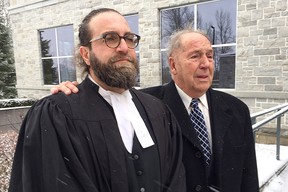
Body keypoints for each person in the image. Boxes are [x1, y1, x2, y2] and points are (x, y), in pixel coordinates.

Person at [52, 28, 260, 192]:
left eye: (210, 55)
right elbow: (103, 100)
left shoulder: (236, 110)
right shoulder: (146, 106)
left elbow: (248, 175)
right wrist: (75, 93)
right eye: (195, 56)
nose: (206, 64)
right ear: (173, 64)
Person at [8, 8, 186, 192]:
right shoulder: (57, 114)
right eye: (110, 38)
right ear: (86, 54)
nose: (124, 47)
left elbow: (176, 181)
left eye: (129, 38)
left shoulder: (158, 110)